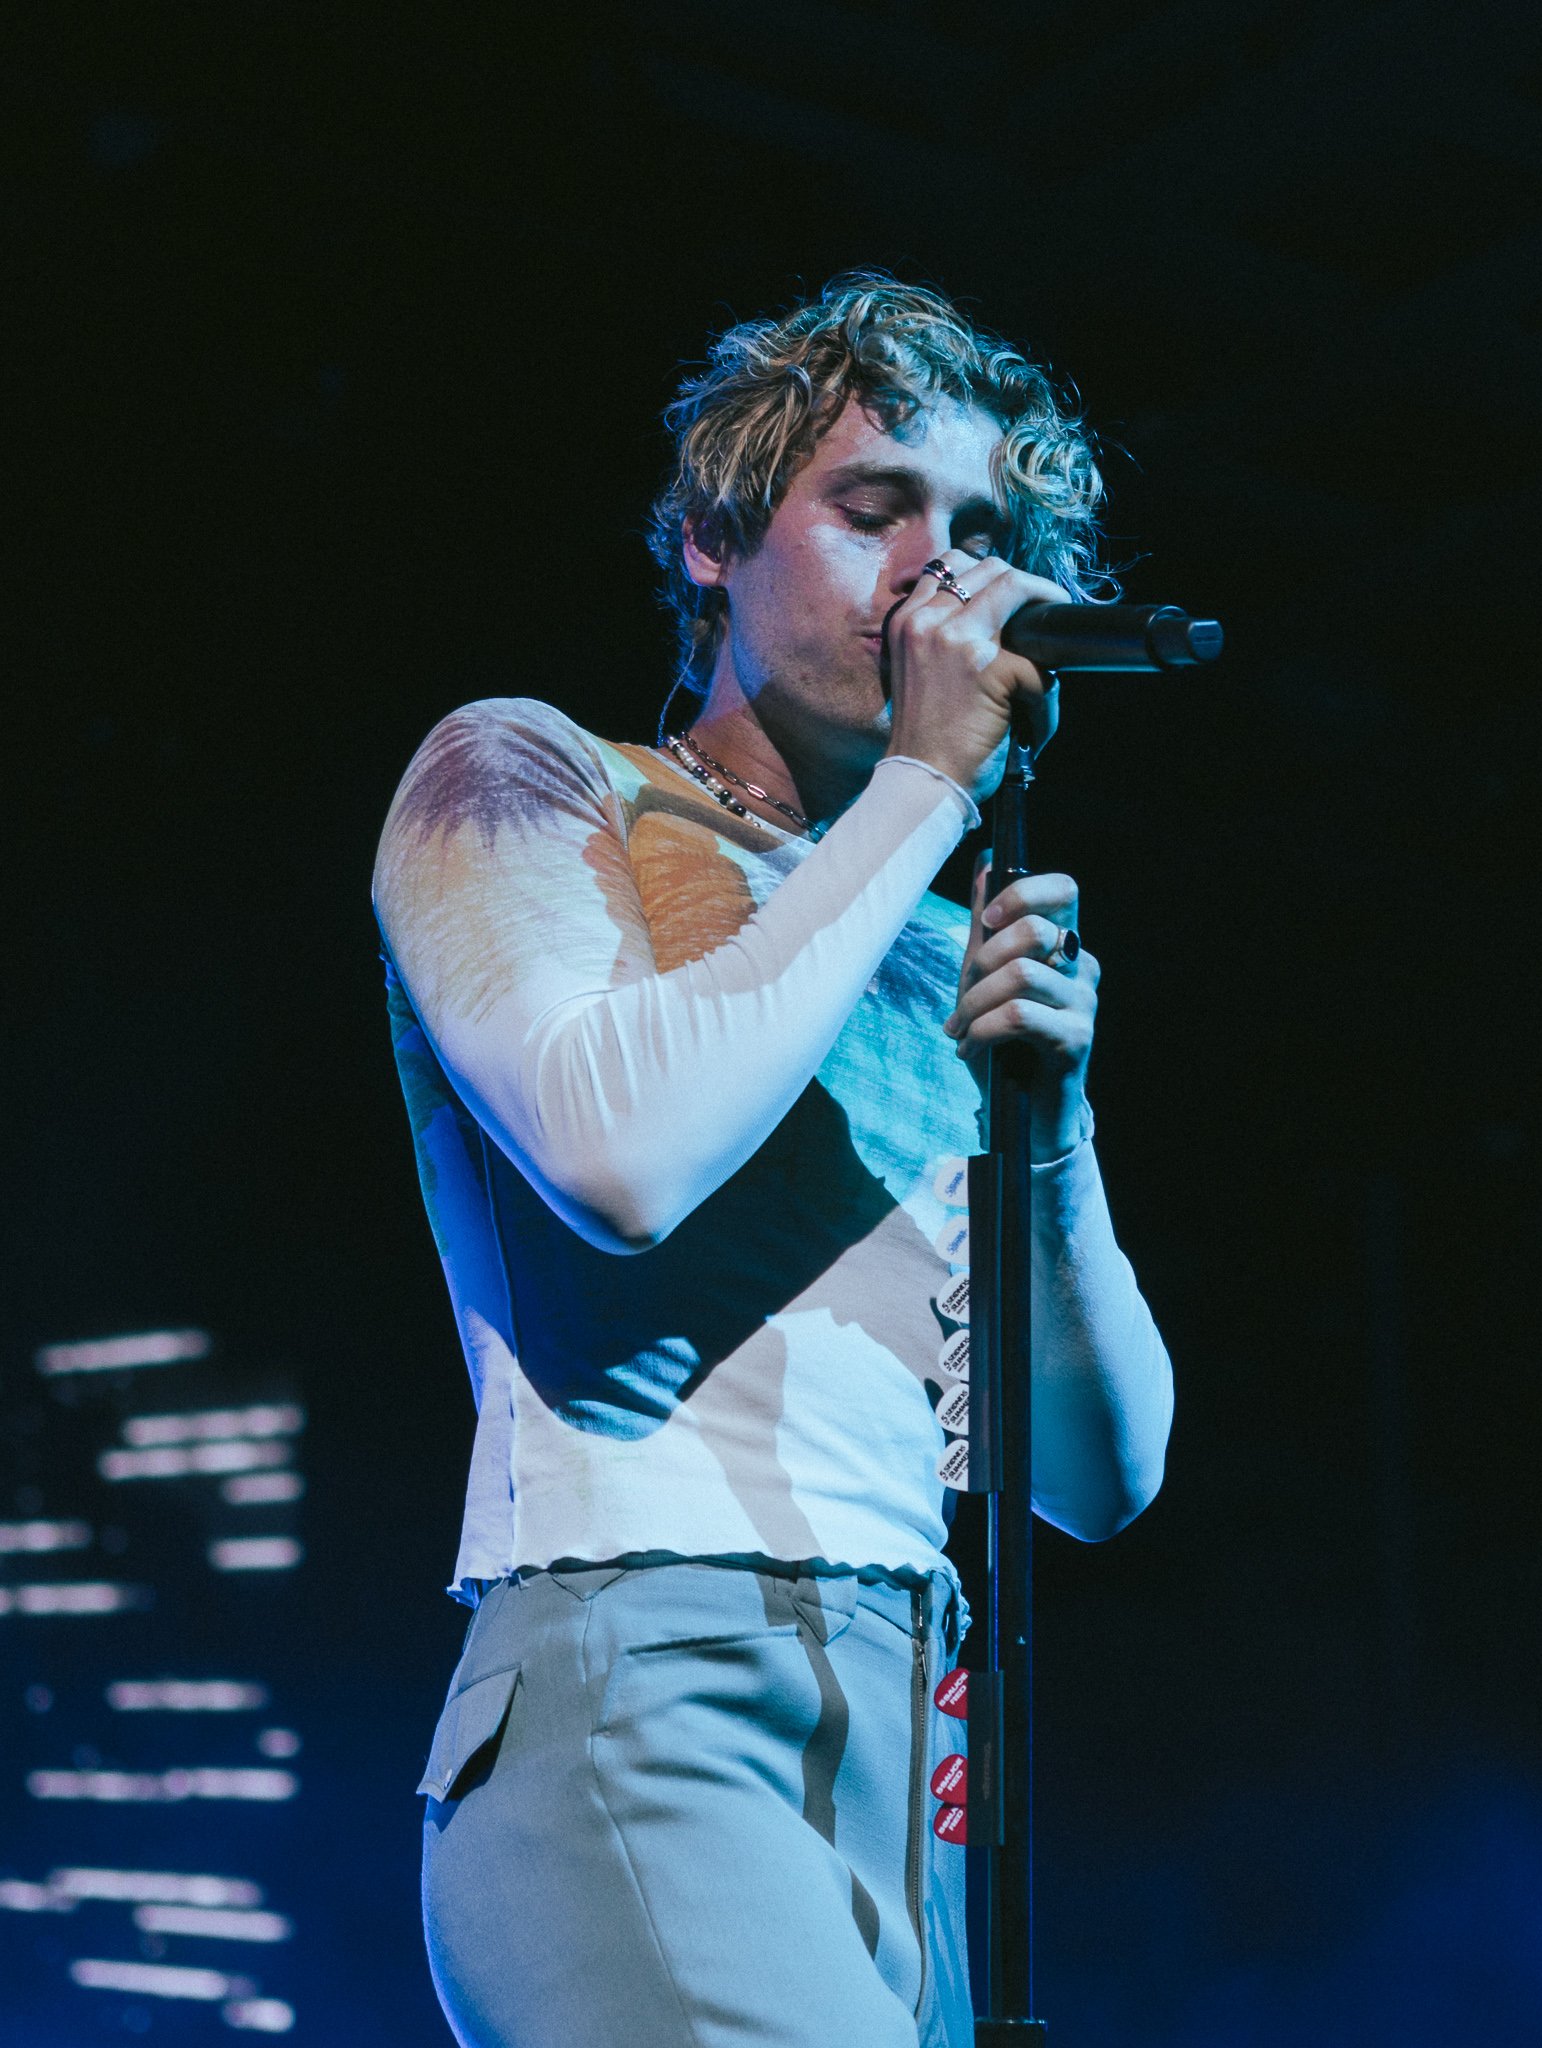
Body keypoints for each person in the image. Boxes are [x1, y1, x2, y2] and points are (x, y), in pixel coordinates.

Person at [373, 273, 1173, 2048]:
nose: (935, 577)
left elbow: (1098, 1473)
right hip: (647, 1667)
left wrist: (1049, 1135)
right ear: (712, 542)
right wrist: (923, 793)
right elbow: (613, 1154)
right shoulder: (527, 774)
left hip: (914, 1744)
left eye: (979, 536)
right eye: (874, 510)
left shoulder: (913, 932)